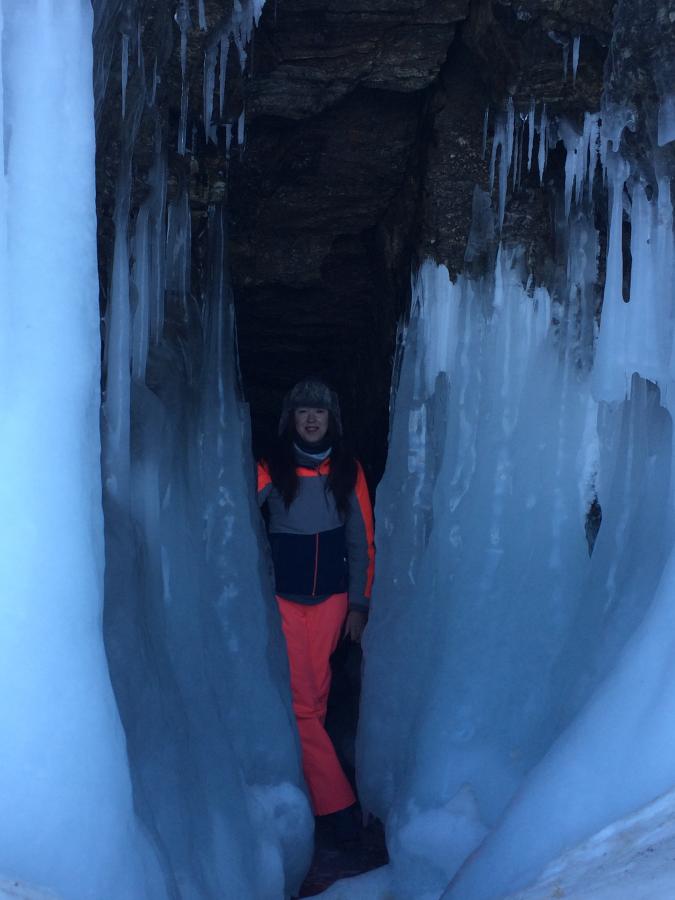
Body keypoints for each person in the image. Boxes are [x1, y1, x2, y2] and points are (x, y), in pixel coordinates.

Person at [257, 378, 375, 841]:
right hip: (285, 599)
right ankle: (336, 809)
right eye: (303, 411)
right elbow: (233, 510)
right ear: (291, 418)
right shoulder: (272, 466)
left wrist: (359, 605)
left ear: (332, 420)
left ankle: (309, 790)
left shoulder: (348, 470)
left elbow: (361, 539)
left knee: (315, 698)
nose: (311, 419)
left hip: (331, 600)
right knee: (304, 704)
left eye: (319, 412)